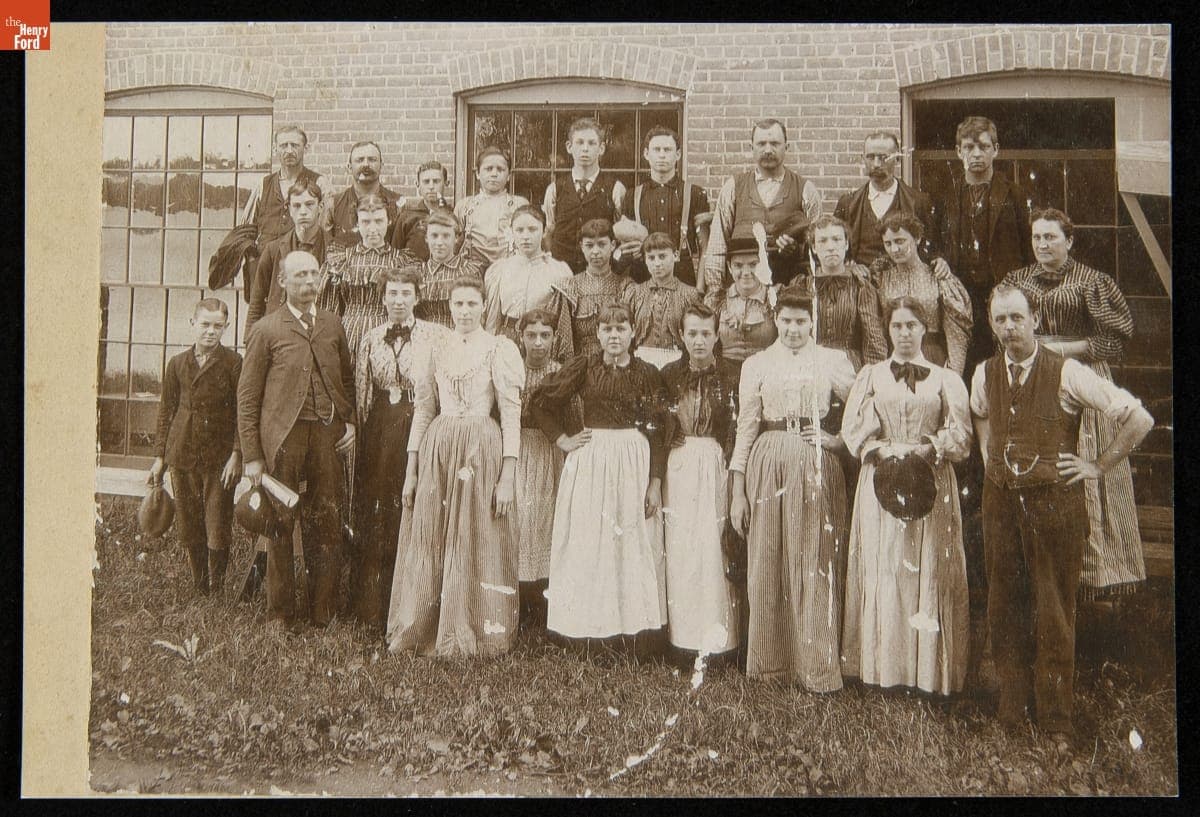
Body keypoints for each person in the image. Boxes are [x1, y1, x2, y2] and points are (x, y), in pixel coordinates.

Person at [971, 285, 1152, 742]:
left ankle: (1056, 721)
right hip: (1001, 505)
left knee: (1053, 611)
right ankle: (1011, 710)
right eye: (1000, 320)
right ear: (992, 325)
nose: (1008, 328)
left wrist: (1096, 465)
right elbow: (979, 414)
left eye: (1016, 318)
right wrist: (989, 453)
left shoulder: (1068, 372)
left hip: (1054, 507)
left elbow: (1139, 418)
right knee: (1004, 606)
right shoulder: (984, 372)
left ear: (1036, 320)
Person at [1001, 209, 1143, 600]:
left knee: (1084, 464)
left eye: (1051, 237)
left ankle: (1100, 578)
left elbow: (1114, 341)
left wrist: (1060, 349)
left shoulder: (1093, 282)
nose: (1043, 245)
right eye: (1037, 238)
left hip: (1084, 378)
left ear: (1070, 241)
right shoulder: (1017, 281)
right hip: (1035, 380)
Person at [840, 297, 972, 695]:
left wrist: (933, 447)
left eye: (912, 326)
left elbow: (962, 435)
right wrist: (878, 448)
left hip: (929, 478)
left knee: (926, 567)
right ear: (887, 330)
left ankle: (926, 675)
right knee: (885, 567)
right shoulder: (872, 375)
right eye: (897, 326)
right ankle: (882, 670)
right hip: (882, 479)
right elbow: (852, 431)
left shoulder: (945, 379)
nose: (904, 333)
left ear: (924, 329)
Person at [387, 277, 525, 657]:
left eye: (472, 304)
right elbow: (424, 410)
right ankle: (427, 625)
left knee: (476, 534)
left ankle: (473, 626)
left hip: (482, 448)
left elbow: (511, 414)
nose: (465, 311)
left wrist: (508, 476)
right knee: (433, 534)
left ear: (483, 307)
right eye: (458, 304)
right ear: (448, 307)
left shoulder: (499, 348)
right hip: (440, 449)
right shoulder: (435, 348)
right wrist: (411, 470)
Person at [729, 288, 856, 691]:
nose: (793, 329)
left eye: (801, 321)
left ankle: (815, 667)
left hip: (815, 460)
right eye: (786, 320)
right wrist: (737, 490)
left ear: (812, 321)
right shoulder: (758, 363)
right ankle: (770, 665)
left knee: (814, 557)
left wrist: (837, 439)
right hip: (767, 459)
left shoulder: (833, 360)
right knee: (767, 557)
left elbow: (864, 406)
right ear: (775, 319)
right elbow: (747, 425)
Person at [529, 301, 669, 657]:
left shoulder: (648, 373)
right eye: (607, 329)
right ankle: (587, 629)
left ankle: (631, 632)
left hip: (633, 459)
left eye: (621, 328)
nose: (614, 335)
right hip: (592, 459)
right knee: (591, 541)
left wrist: (654, 481)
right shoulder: (585, 366)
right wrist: (563, 439)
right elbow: (541, 402)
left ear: (633, 332)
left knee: (629, 542)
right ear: (598, 334)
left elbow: (659, 430)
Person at [237, 250, 357, 628]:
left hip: (326, 435)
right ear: (283, 282)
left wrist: (349, 421)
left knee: (326, 521)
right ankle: (281, 613)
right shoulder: (267, 329)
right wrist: (253, 456)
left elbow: (347, 380)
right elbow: (247, 397)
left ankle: (323, 610)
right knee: (280, 525)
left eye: (313, 274)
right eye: (300, 275)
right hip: (283, 439)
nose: (308, 281)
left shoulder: (333, 324)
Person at [350, 267, 446, 629]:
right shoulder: (370, 338)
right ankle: (372, 609)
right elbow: (362, 390)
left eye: (406, 293)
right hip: (381, 428)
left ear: (417, 297)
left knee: (413, 505)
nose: (398, 300)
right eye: (392, 293)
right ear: (383, 297)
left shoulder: (438, 336)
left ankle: (413, 606)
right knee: (378, 511)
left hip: (418, 421)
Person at [659, 303, 741, 663]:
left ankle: (721, 642)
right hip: (679, 467)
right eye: (691, 333)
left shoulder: (732, 374)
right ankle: (682, 640)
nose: (698, 340)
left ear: (717, 334)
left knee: (713, 548)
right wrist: (669, 434)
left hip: (716, 462)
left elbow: (740, 425)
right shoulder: (668, 374)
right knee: (682, 550)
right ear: (681, 334)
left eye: (706, 333)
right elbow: (655, 420)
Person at [148, 299, 242, 596]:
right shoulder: (177, 364)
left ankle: (217, 587)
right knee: (189, 522)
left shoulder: (233, 364)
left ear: (226, 328)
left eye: (218, 326)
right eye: (205, 325)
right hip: (183, 452)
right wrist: (160, 457)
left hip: (219, 456)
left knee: (217, 521)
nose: (211, 332)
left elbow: (243, 411)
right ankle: (199, 584)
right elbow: (167, 411)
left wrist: (237, 454)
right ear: (192, 324)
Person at [938, 116, 1034, 375]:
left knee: (1004, 365)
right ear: (959, 152)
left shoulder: (1014, 194)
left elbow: (1028, 249)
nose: (976, 153)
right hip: (961, 298)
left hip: (1001, 293)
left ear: (996, 150)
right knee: (964, 367)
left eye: (984, 146)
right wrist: (940, 261)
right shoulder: (947, 195)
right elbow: (935, 243)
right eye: (969, 147)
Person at [702, 118, 823, 300]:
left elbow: (818, 247)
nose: (768, 150)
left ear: (786, 147)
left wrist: (796, 248)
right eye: (761, 144)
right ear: (751, 147)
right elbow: (718, 245)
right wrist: (715, 292)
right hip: (742, 295)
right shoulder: (734, 188)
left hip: (791, 296)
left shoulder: (806, 190)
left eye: (775, 143)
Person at [513, 309, 576, 629]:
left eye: (545, 336)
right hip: (518, 449)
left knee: (546, 520)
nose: (538, 343)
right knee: (520, 522)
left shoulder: (561, 373)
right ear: (520, 337)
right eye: (531, 336)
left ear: (555, 338)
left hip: (550, 452)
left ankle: (543, 603)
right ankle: (517, 598)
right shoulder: (512, 369)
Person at [240, 126, 334, 311]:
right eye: (284, 145)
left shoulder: (319, 183)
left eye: (295, 145)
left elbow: (325, 230)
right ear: (276, 149)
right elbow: (246, 229)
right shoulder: (263, 185)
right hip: (266, 269)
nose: (289, 150)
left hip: (302, 267)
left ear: (305, 149)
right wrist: (254, 262)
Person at [318, 193, 416, 366]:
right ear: (356, 224)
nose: (372, 229)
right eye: (366, 222)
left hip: (389, 335)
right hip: (349, 334)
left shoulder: (401, 262)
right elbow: (328, 310)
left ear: (389, 221)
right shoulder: (342, 260)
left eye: (378, 221)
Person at [871, 212, 973, 377]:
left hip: (932, 358)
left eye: (900, 241)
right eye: (888, 244)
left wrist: (953, 377)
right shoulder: (881, 278)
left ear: (917, 238)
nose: (894, 249)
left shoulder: (938, 277)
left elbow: (957, 335)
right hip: (894, 359)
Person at [617, 126, 712, 286]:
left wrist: (700, 290)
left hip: (683, 280)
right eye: (656, 149)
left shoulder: (695, 193)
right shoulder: (632, 195)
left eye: (667, 149)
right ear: (646, 154)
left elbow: (705, 247)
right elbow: (625, 248)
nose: (662, 155)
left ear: (678, 154)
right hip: (643, 280)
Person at [833, 131, 944, 268]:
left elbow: (932, 250)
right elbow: (837, 249)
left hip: (904, 284)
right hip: (862, 284)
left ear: (897, 159)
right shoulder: (848, 203)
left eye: (883, 157)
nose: (876, 164)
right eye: (870, 157)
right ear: (863, 159)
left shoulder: (919, 202)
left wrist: (938, 260)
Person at [793, 214, 888, 373]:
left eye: (836, 240)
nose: (830, 247)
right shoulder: (803, 285)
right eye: (822, 241)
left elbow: (873, 339)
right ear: (814, 248)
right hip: (810, 367)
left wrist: (873, 379)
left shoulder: (861, 287)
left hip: (849, 368)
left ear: (846, 245)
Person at [482, 204, 574, 360]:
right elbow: (492, 319)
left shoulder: (558, 271)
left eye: (532, 229)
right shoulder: (500, 270)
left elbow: (565, 322)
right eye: (519, 230)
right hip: (507, 341)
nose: (526, 236)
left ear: (544, 231)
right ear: (511, 232)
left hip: (542, 342)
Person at [245, 178, 330, 340]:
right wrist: (250, 343)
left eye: (309, 204)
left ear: (320, 207)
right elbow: (256, 304)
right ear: (289, 209)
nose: (303, 211)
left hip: (318, 335)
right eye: (297, 206)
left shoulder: (334, 250)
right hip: (280, 335)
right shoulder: (273, 250)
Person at [544, 117, 626, 272]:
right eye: (579, 142)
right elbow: (549, 231)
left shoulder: (615, 188)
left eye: (591, 143)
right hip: (562, 273)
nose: (585, 148)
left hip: (600, 272)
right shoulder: (555, 189)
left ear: (601, 148)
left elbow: (620, 237)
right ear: (569, 147)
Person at [556, 219, 633, 358]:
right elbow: (564, 339)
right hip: (582, 364)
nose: (595, 251)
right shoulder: (571, 287)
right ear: (582, 246)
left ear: (613, 245)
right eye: (589, 245)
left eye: (602, 244)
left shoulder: (625, 287)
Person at [623, 232, 702, 367]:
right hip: (641, 364)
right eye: (651, 258)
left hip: (677, 365)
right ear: (645, 260)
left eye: (662, 256)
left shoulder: (689, 294)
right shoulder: (635, 293)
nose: (657, 263)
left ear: (675, 256)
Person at [455, 146, 531, 266]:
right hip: (472, 270)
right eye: (488, 169)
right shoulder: (465, 206)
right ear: (478, 174)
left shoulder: (519, 205)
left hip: (508, 269)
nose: (494, 174)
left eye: (500, 169)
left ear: (509, 175)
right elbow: (455, 243)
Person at [412, 210, 487, 329]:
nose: (439, 242)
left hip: (459, 335)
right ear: (426, 238)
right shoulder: (418, 272)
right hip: (425, 336)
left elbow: (480, 313)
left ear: (456, 238)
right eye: (434, 236)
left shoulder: (469, 270)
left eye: (446, 236)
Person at [715, 236, 778, 372]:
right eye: (738, 265)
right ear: (729, 267)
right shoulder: (717, 299)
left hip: (766, 371)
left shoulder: (774, 297)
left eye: (753, 264)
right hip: (725, 372)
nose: (746, 273)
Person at [328, 141, 403, 248]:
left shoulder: (398, 204)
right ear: (349, 167)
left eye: (372, 159)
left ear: (381, 165)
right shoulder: (333, 205)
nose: (366, 164)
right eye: (359, 160)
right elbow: (326, 247)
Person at [390, 160, 452, 260]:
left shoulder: (453, 216)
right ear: (418, 185)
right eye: (426, 182)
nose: (431, 187)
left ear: (446, 183)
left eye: (436, 181)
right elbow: (395, 255)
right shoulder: (407, 218)